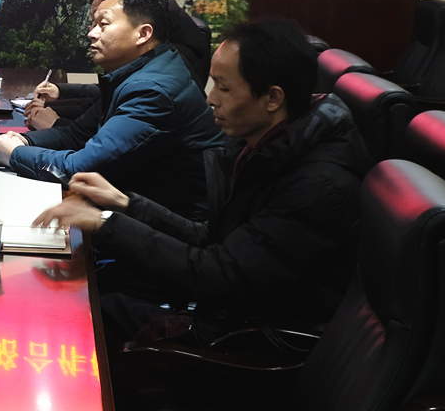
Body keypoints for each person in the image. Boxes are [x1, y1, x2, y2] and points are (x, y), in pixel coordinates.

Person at [32, 17, 370, 344]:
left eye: (224, 87)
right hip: (231, 312)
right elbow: (215, 239)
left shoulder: (317, 185)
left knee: (84, 308)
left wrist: (105, 224)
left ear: (272, 98)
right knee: (85, 292)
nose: (211, 99)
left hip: (252, 341)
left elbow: (218, 274)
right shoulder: (268, 146)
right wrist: (125, 204)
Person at [0, 0, 222, 216]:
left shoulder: (152, 91)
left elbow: (81, 170)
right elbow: (77, 135)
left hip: (170, 224)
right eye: (93, 24)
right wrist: (25, 141)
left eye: (103, 24)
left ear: (143, 34)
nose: (91, 33)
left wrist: (15, 154)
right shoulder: (134, 73)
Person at [25, 0, 211, 131]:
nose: (91, 33)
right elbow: (107, 99)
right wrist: (60, 95)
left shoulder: (168, 65)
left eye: (103, 23)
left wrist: (56, 124)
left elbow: (113, 137)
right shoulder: (168, 35)